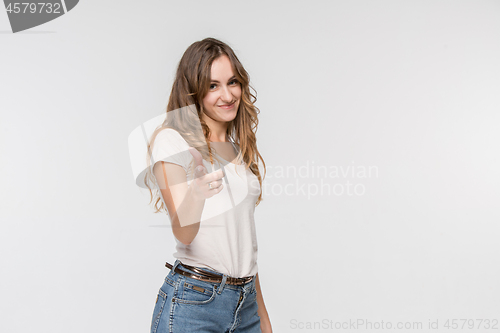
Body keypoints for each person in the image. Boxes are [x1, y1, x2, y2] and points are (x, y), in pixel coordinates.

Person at [142, 37, 272, 333]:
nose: (227, 95)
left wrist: (262, 318)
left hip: (246, 303)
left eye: (233, 82)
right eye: (213, 86)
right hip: (194, 304)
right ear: (194, 92)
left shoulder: (239, 151)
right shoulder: (172, 140)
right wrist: (197, 194)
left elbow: (243, 244)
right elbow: (183, 232)